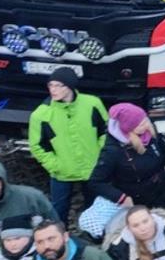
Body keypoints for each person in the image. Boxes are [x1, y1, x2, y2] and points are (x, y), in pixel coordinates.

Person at [26, 70, 108, 224]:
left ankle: (95, 235)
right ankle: (60, 239)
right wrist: (55, 166)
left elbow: (105, 131)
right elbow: (36, 146)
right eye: (51, 85)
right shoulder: (41, 114)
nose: (53, 90)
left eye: (59, 86)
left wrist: (100, 155)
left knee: (95, 206)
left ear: (70, 86)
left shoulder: (93, 104)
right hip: (62, 173)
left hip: (92, 167)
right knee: (58, 210)